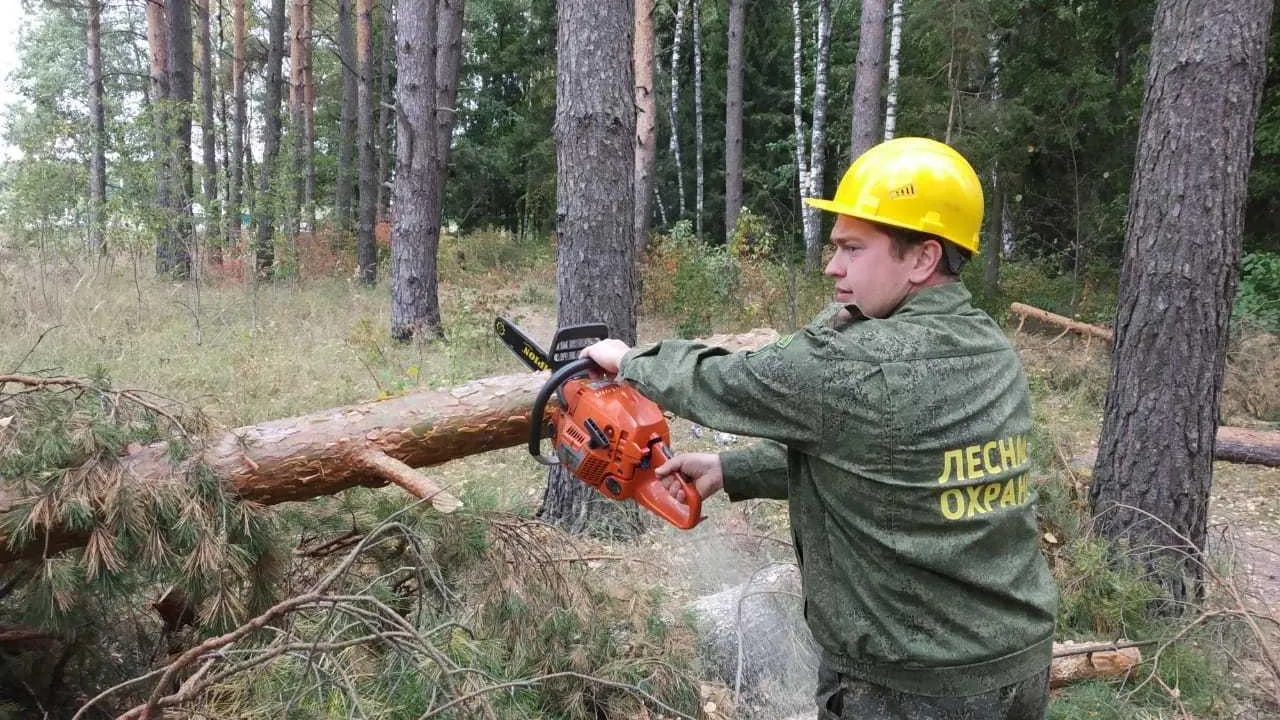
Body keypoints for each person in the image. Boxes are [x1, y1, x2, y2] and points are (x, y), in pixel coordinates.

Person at [580, 137, 1058, 720]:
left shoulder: (857, 361)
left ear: (922, 258)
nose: (832, 266)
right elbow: (889, 460)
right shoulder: (988, 346)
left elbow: (725, 382)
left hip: (912, 684)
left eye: (853, 249)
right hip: (1018, 661)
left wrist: (628, 361)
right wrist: (730, 469)